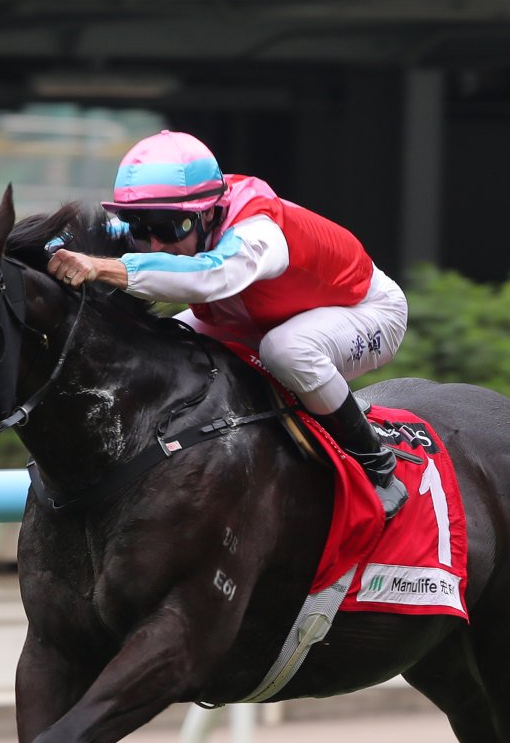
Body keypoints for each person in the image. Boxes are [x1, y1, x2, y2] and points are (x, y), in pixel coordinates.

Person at [47, 130, 408, 518]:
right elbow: (88, 234)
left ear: (207, 212)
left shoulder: (258, 232)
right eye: (140, 227)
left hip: (367, 312)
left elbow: (210, 277)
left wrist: (102, 267)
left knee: (287, 350)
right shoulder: (176, 216)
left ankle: (376, 465)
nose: (154, 244)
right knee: (165, 340)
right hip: (261, 316)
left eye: (169, 229)